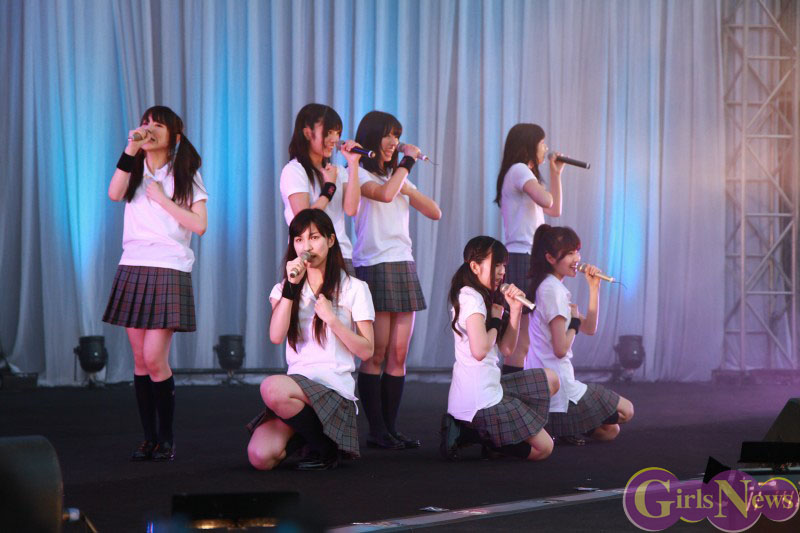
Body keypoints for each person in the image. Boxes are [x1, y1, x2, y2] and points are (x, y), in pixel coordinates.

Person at [103, 105, 208, 462]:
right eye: (146, 123)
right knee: (139, 358)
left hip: (168, 266)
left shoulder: (186, 174)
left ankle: (167, 438)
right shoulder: (134, 168)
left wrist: (163, 200)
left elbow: (199, 225)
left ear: (174, 136)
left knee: (153, 357)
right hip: (133, 264)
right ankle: (149, 438)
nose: (149, 129)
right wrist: (131, 147)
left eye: (157, 125)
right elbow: (114, 193)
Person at [246, 209, 375, 470]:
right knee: (260, 457)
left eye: (314, 237)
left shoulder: (354, 288)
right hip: (297, 391)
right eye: (299, 239)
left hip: (333, 390)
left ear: (330, 240)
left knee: (271, 387)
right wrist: (290, 289)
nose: (306, 246)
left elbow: (367, 351)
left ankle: (325, 449)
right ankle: (314, 439)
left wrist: (333, 320)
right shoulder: (283, 290)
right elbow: (276, 336)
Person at [352, 110, 442, 449]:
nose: (393, 142)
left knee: (399, 354)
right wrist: (407, 163)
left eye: (398, 136)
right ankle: (376, 430)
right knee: (375, 353)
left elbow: (434, 211)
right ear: (372, 137)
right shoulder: (357, 173)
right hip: (375, 263)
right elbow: (385, 194)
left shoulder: (397, 175)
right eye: (388, 135)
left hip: (403, 263)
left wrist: (404, 176)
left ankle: (391, 428)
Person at [440, 236, 558, 461]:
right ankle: (468, 432)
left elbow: (506, 349)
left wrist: (515, 310)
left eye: (504, 265)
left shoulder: (484, 296)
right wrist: (495, 319)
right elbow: (479, 350)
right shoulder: (471, 298)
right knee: (543, 449)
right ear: (475, 267)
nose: (502, 271)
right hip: (478, 401)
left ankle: (491, 437)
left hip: (491, 386)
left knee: (551, 379)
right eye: (496, 265)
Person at [525, 225, 634, 445]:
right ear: (550, 258)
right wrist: (574, 323)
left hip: (556, 384)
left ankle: (563, 429)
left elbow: (590, 328)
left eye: (577, 251)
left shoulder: (552, 287)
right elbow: (560, 349)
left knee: (610, 431)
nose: (577, 259)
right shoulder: (552, 290)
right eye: (569, 253)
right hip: (560, 388)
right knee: (627, 411)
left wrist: (594, 288)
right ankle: (557, 425)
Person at [495, 124, 564, 374]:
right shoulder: (519, 169)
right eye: (542, 143)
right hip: (520, 257)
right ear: (529, 144)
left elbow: (554, 209)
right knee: (520, 341)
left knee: (524, 340)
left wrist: (555, 173)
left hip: (527, 256)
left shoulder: (521, 172)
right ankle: (510, 392)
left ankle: (513, 389)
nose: (545, 148)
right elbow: (546, 199)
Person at [280, 103, 363, 275]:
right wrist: (329, 188)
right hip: (309, 256)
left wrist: (353, 163)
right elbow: (304, 220)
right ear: (307, 133)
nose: (334, 139)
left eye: (337, 133)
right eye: (329, 132)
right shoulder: (294, 170)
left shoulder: (337, 171)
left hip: (341, 253)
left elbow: (351, 209)